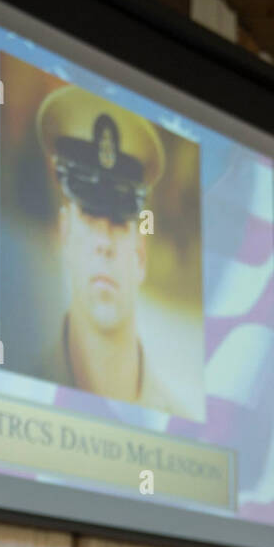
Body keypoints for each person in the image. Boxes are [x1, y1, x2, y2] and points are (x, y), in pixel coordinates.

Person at [35, 86, 179, 411]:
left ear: (140, 255)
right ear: (63, 235)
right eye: (89, 215)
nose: (104, 244)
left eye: (118, 221)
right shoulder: (20, 387)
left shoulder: (177, 418)